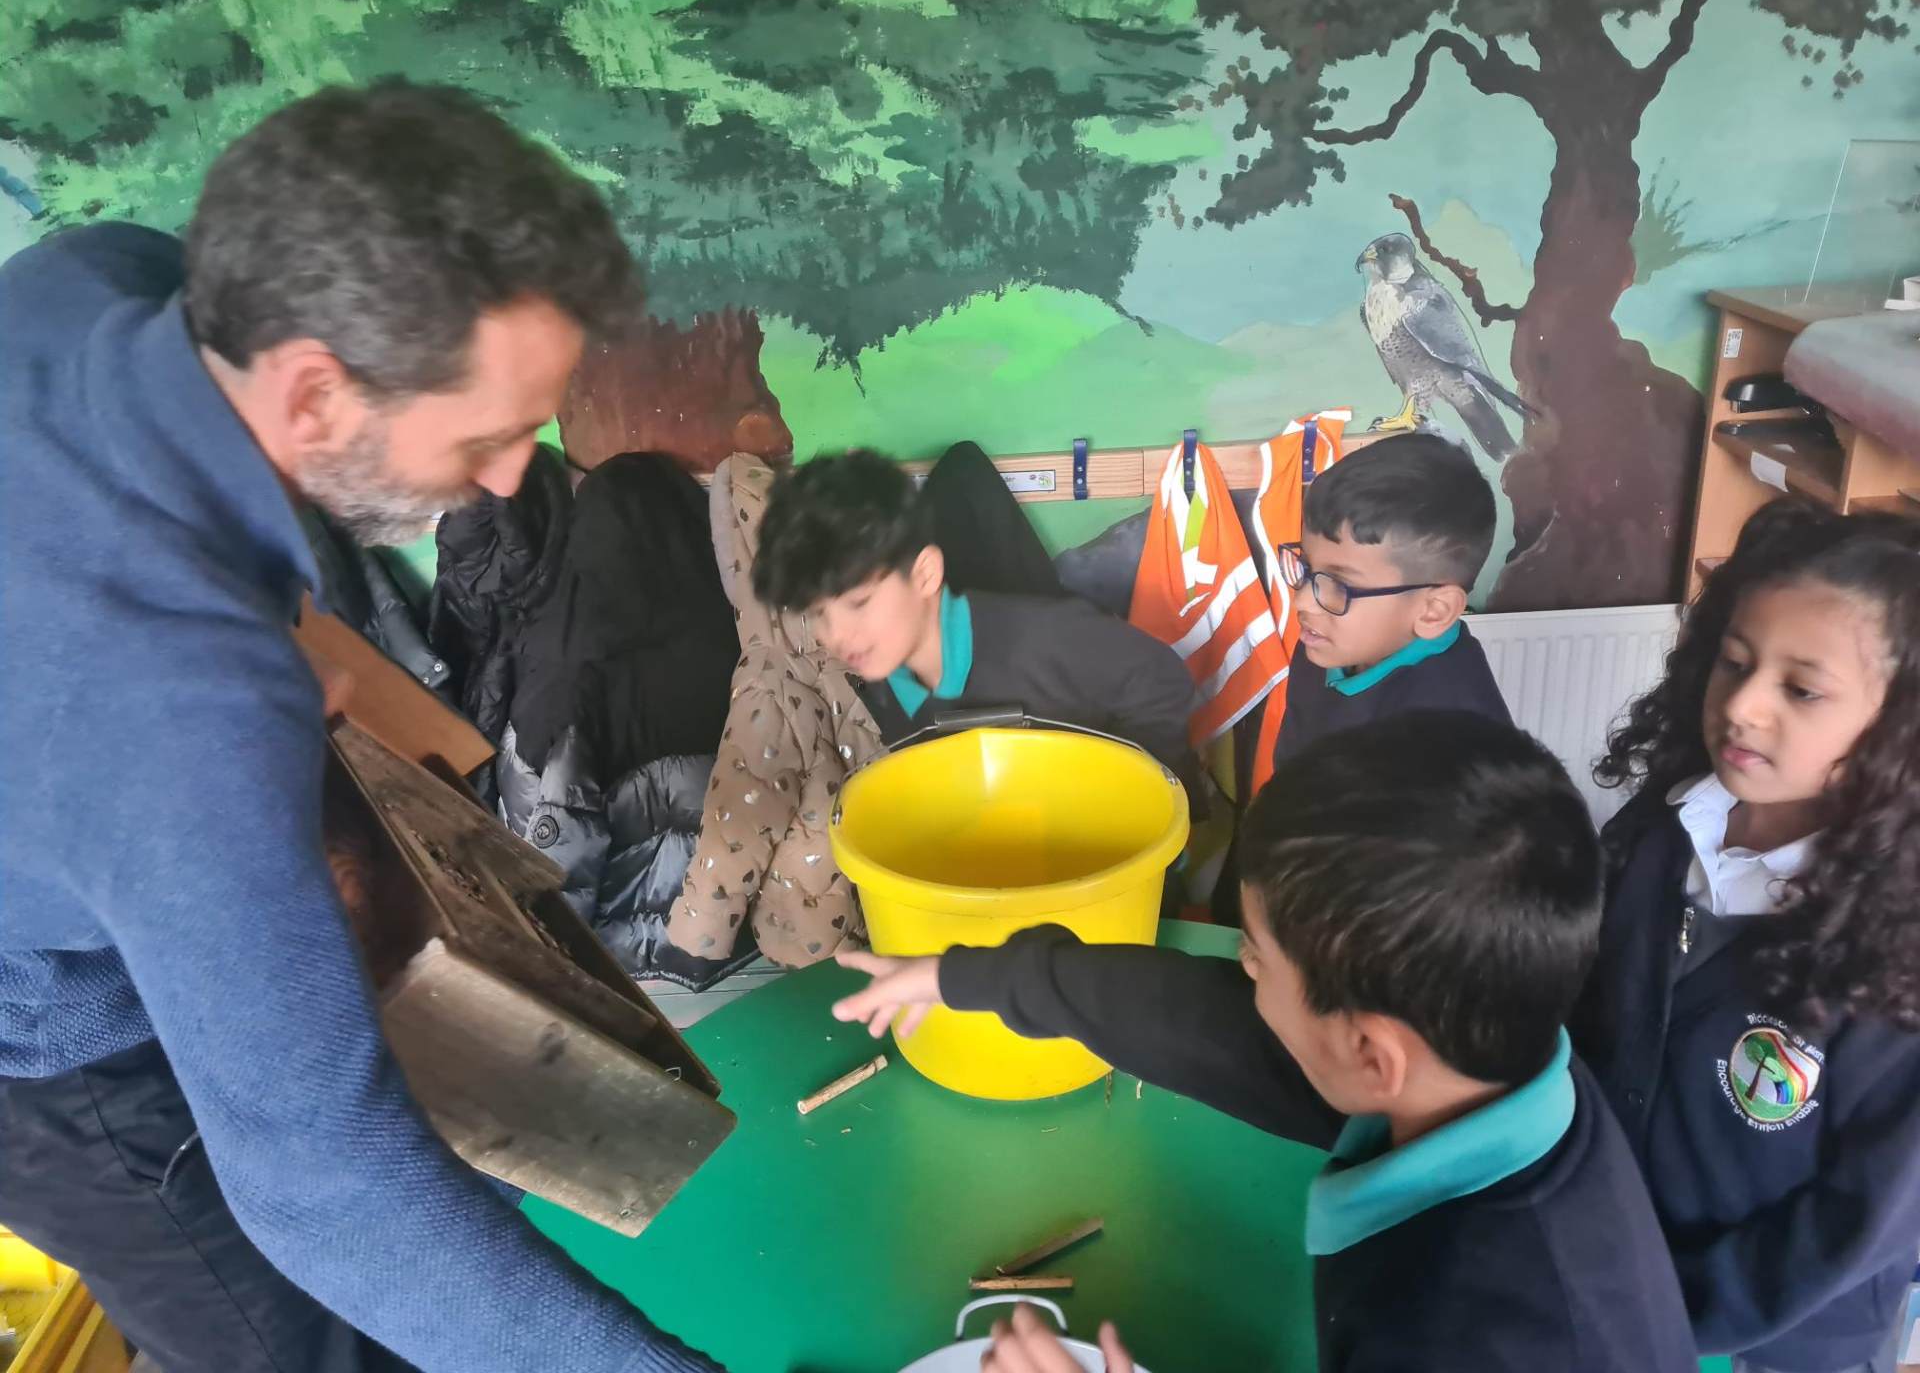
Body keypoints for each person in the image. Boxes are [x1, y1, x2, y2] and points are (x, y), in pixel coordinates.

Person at [0, 83, 722, 1373]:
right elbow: (325, 1190)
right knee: (308, 1341)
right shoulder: (187, 721)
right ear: (316, 394)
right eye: (491, 436)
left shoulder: (99, 282)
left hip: (83, 790)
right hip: (55, 1064)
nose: (517, 475)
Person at [834, 712, 1699, 1373]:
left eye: (1254, 960)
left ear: (1371, 1055)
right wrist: (970, 977)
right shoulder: (1480, 1063)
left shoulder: (1477, 1330)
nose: (1241, 975)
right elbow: (1198, 1023)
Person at [1575, 499, 1920, 1373]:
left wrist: (1679, 1320)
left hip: (1774, 1344)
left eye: (1801, 689)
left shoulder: (1902, 950)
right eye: (1734, 663)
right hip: (1614, 1278)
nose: (1743, 705)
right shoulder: (1662, 831)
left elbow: (1865, 1217)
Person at [752, 448, 1203, 802]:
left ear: (925, 574)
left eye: (859, 603)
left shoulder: (1043, 636)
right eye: (818, 613)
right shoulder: (885, 677)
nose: (837, 635)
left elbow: (1163, 680)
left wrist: (1127, 797)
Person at [1265, 432, 1508, 776]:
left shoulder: (1453, 749)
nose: (1303, 601)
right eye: (1306, 568)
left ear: (1433, 611)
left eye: (1341, 585)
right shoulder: (1326, 645)